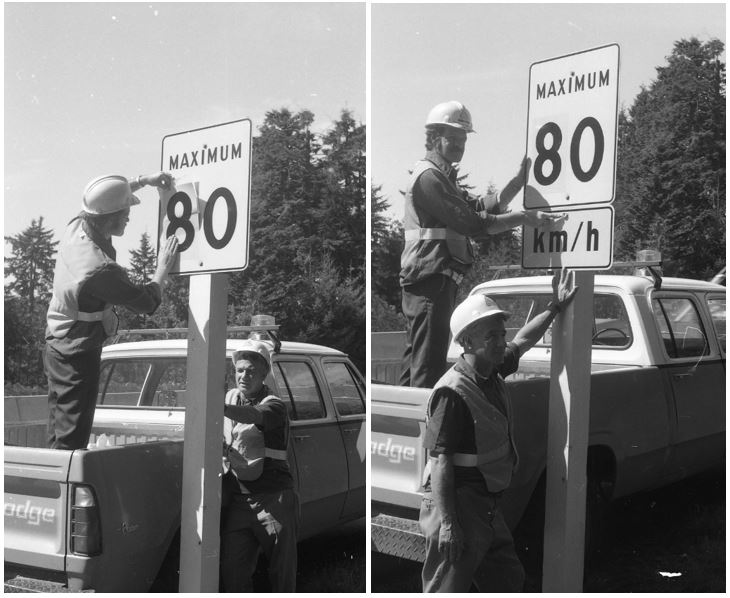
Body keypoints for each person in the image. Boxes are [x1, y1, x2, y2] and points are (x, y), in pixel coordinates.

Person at [419, 269, 578, 592]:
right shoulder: (452, 391)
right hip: (458, 507)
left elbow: (523, 341)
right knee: (446, 588)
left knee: (507, 580)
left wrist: (555, 307)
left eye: (501, 334)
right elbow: (440, 463)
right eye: (491, 336)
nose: (501, 342)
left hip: (486, 505)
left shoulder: (491, 370)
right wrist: (449, 526)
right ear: (467, 341)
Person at [400, 100, 561, 388]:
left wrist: (515, 184)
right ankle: (423, 425)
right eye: (454, 138)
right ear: (435, 137)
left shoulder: (441, 177)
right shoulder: (430, 178)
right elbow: (471, 222)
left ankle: (402, 419)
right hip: (429, 279)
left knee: (420, 357)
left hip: (433, 280)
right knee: (427, 364)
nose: (460, 145)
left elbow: (475, 206)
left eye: (464, 139)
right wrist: (523, 217)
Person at [45, 172, 179, 450]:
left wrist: (144, 181)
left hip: (57, 342)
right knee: (72, 436)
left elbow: (100, 198)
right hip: (77, 352)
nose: (129, 217)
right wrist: (161, 270)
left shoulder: (77, 225)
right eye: (126, 212)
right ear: (111, 216)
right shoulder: (100, 269)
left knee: (59, 427)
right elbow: (146, 303)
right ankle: (67, 488)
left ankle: (53, 483)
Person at [220, 340, 299, 593]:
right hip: (239, 501)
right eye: (240, 370)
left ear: (264, 374)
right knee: (232, 574)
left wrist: (215, 408)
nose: (244, 375)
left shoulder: (274, 405)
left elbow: (255, 416)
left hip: (273, 501)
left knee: (281, 575)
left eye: (251, 371)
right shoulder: (231, 397)